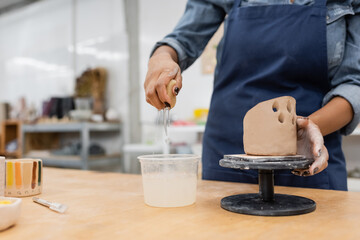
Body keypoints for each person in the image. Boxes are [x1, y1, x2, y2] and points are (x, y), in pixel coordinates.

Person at [144, 0, 360, 190]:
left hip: (308, 155)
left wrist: (307, 130)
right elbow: (183, 39)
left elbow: (354, 83)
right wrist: (162, 57)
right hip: (229, 155)